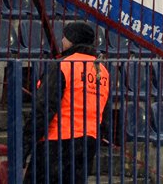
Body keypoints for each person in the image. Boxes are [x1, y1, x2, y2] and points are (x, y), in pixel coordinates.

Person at [25, 21, 110, 184]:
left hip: (57, 142)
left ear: (72, 40)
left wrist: (26, 144)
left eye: (65, 37)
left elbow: (43, 109)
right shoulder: (102, 71)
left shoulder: (64, 66)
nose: (62, 41)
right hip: (86, 144)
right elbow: (103, 111)